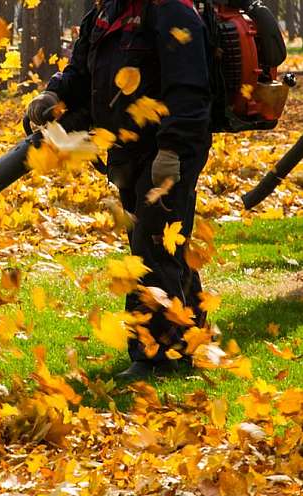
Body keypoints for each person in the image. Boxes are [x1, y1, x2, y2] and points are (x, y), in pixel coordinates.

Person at [25, 0, 212, 378]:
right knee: (162, 243)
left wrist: (173, 149)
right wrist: (53, 96)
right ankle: (190, 341)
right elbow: (80, 73)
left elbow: (189, 90)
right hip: (128, 152)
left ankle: (155, 357)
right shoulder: (105, 14)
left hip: (167, 149)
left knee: (152, 249)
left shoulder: (172, 10)